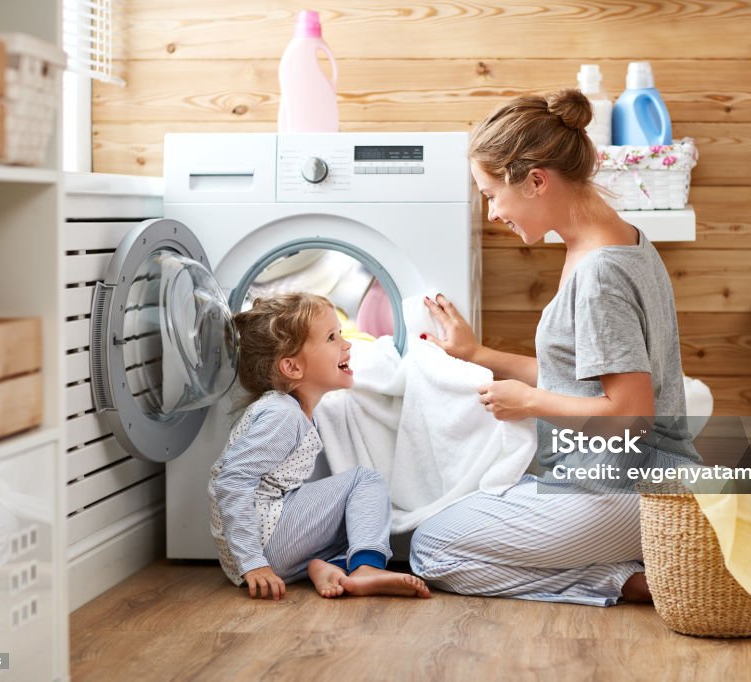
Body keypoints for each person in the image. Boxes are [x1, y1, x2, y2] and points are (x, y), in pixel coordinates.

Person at [409, 90, 701, 606]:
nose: (492, 212)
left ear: (536, 180)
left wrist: (528, 403)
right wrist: (478, 354)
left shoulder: (599, 275)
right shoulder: (618, 238)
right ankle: (635, 566)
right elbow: (580, 375)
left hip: (623, 493)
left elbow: (630, 415)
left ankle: (631, 582)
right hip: (642, 484)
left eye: (491, 194)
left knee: (430, 548)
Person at [209, 293, 430, 600]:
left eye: (340, 333)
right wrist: (252, 563)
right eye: (331, 337)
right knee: (364, 481)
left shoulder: (292, 411)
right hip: (261, 544)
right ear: (292, 367)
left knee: (356, 516)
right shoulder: (281, 414)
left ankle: (324, 567)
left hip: (267, 543)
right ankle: (366, 568)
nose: (346, 344)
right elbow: (232, 481)